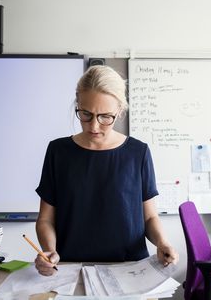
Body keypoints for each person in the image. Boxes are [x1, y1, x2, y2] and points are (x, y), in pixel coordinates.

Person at [34, 65, 179, 276]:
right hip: (71, 269)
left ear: (119, 111)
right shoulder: (58, 151)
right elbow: (46, 219)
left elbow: (149, 218)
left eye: (105, 117)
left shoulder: (138, 152)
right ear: (78, 104)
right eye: (86, 114)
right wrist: (49, 251)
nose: (94, 126)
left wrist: (162, 242)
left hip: (130, 269)